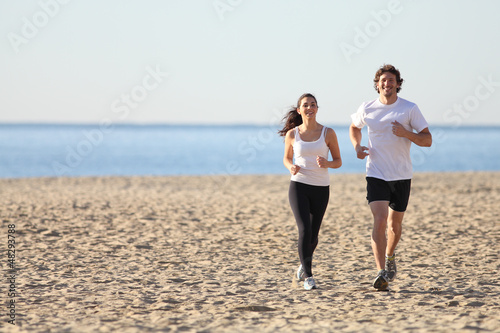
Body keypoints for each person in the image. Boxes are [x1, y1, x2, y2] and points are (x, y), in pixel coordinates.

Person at [349, 64, 432, 290]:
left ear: (398, 83)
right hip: (375, 172)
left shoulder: (409, 109)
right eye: (383, 80)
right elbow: (354, 127)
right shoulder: (367, 108)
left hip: (401, 175)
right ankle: (380, 272)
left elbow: (427, 140)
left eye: (391, 80)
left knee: (395, 226)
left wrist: (406, 133)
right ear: (377, 84)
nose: (387, 84)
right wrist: (357, 146)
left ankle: (390, 256)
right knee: (379, 220)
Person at [279, 93, 342, 290]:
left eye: (313, 104)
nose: (309, 108)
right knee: (304, 230)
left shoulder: (328, 133)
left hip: (321, 188)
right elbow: (286, 158)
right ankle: (308, 277)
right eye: (305, 105)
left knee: (314, 236)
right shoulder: (293, 134)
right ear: (299, 110)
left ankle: (302, 264)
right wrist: (291, 167)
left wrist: (327, 163)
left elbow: (338, 161)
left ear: (317, 109)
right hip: (298, 185)